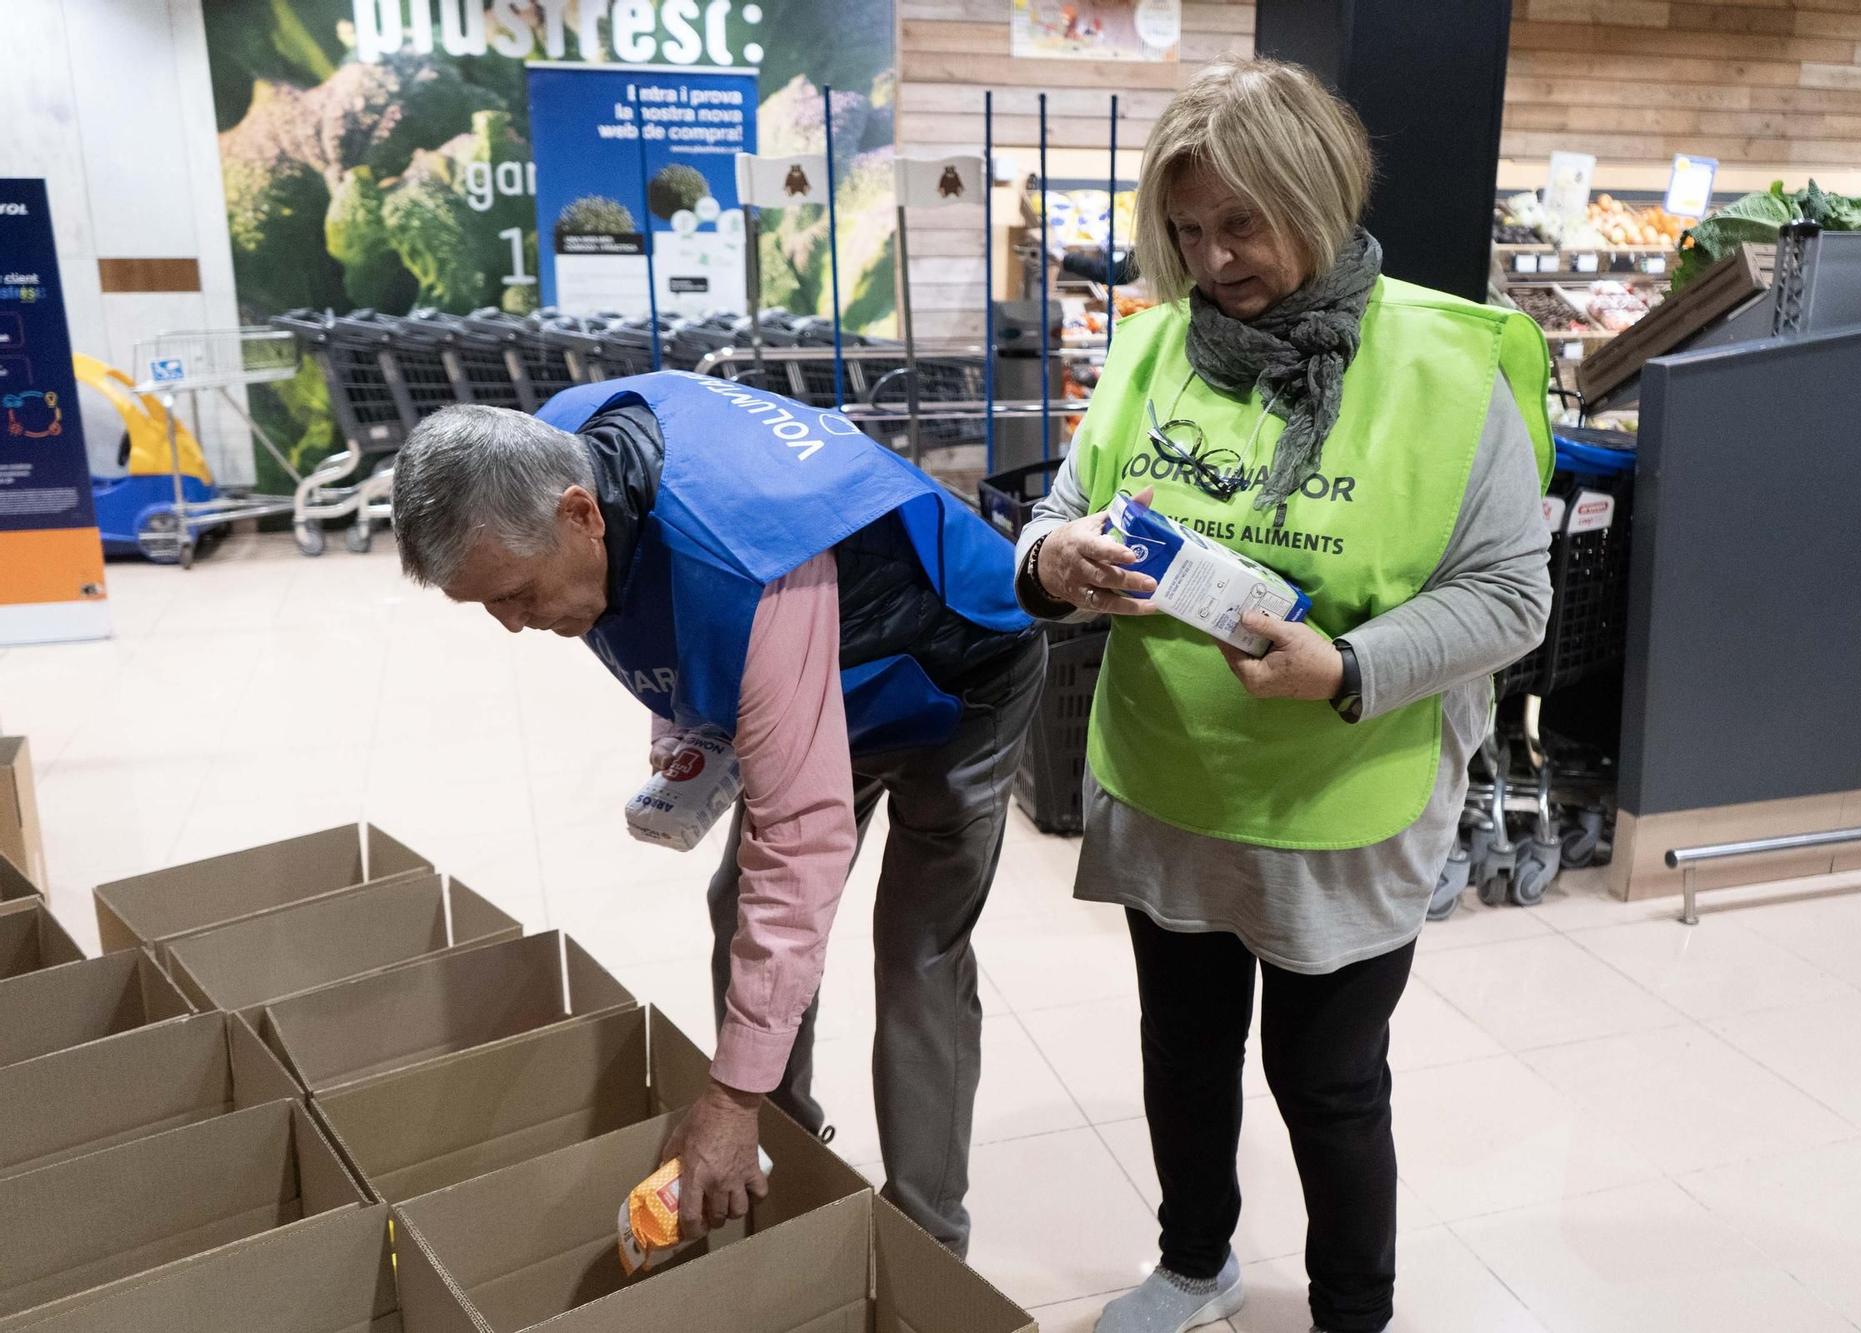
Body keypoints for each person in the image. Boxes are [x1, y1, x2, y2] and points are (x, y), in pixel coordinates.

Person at [1014, 56, 1554, 1333]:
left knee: (1327, 1083)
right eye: (1187, 230)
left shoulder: (1446, 366)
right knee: (1184, 1059)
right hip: (1169, 787)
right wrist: (1053, 559)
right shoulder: (1150, 352)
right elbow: (1050, 516)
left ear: (1313, 192)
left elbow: (1508, 598)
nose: (1210, 259)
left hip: (1339, 803)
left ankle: (1348, 1312)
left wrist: (1349, 669)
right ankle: (1194, 1264)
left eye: (1240, 223)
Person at [392, 371, 1046, 1259]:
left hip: (960, 671)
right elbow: (650, 600)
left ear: (580, 515)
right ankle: (783, 1151)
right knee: (735, 905)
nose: (513, 623)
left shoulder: (743, 561)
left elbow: (802, 839)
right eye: (490, 605)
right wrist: (684, 723)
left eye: (517, 592)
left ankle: (928, 1244)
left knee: (916, 951)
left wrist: (728, 1098)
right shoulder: (554, 450)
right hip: (835, 667)